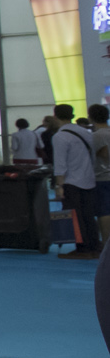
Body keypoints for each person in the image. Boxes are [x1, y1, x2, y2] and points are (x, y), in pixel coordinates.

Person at [49, 108, 101, 261]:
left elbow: (60, 163)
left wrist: (59, 186)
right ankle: (94, 246)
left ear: (55, 117)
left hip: (71, 182)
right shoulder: (85, 132)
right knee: (88, 215)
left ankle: (82, 248)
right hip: (88, 179)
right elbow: (93, 156)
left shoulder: (60, 136)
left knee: (75, 217)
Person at [90, 104, 110, 245]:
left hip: (102, 177)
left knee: (104, 212)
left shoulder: (95, 136)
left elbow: (101, 155)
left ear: (91, 118)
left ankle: (106, 244)